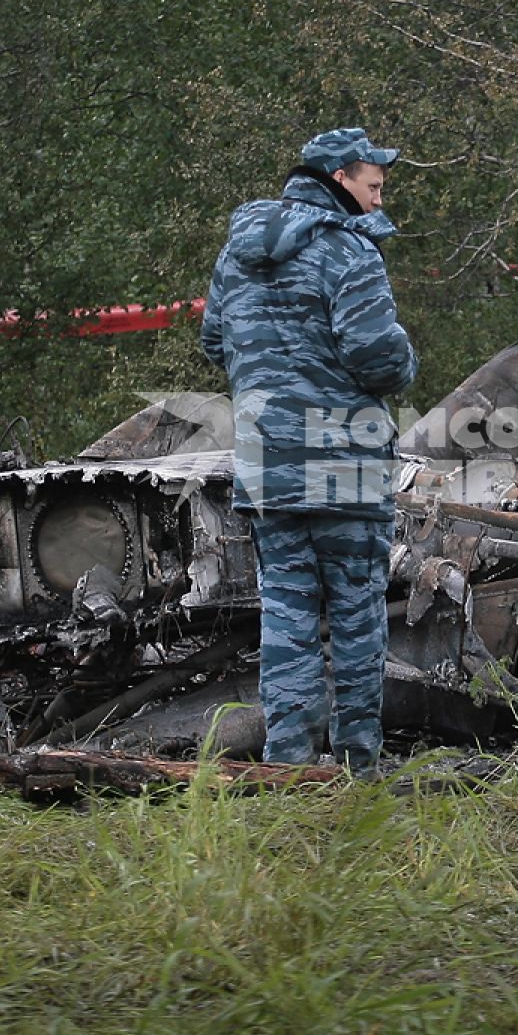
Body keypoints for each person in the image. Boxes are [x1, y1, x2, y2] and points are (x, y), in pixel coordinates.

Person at [201, 127, 417, 774]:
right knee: (355, 614)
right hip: (343, 465)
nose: (379, 201)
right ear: (342, 177)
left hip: (268, 465)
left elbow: (215, 341)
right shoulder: (349, 252)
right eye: (374, 187)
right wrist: (406, 359)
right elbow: (378, 357)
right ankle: (359, 763)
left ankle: (289, 763)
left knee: (287, 618)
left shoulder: (238, 254)